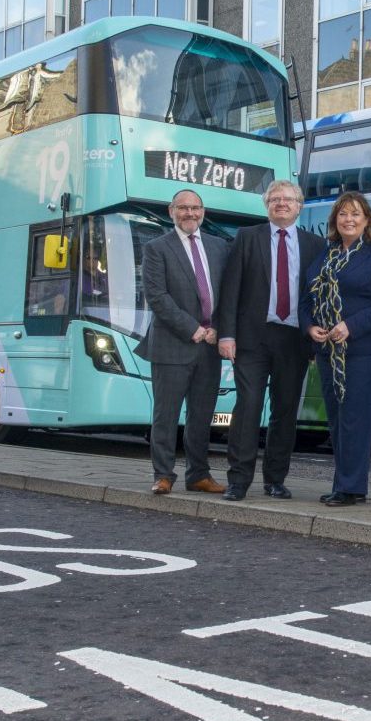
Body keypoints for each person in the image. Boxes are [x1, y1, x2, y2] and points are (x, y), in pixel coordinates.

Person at [215, 179, 326, 501]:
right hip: (252, 338)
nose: (281, 204)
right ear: (267, 206)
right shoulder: (247, 238)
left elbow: (319, 298)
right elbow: (231, 288)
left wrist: (315, 337)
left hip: (294, 339)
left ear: (299, 206)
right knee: (248, 407)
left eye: (288, 199)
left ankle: (275, 479)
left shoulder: (315, 246)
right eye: (275, 199)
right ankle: (238, 480)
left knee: (285, 411)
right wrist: (227, 334)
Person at [299, 192, 371, 506]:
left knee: (356, 417)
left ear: (367, 220)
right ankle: (346, 484)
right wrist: (309, 326)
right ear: (335, 221)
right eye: (343, 214)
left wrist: (350, 326)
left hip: (365, 350)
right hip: (328, 352)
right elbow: (306, 300)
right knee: (337, 419)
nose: (349, 220)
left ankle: (350, 486)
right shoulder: (324, 256)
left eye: (355, 214)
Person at [140, 189, 230, 495]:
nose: (190, 213)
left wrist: (219, 329)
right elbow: (156, 296)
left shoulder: (220, 247)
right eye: (183, 208)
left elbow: (229, 295)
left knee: (202, 415)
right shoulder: (156, 248)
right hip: (173, 344)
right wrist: (193, 329)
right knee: (166, 414)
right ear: (171, 211)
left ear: (203, 212)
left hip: (210, 346)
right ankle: (163, 474)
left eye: (195, 208)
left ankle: (198, 475)